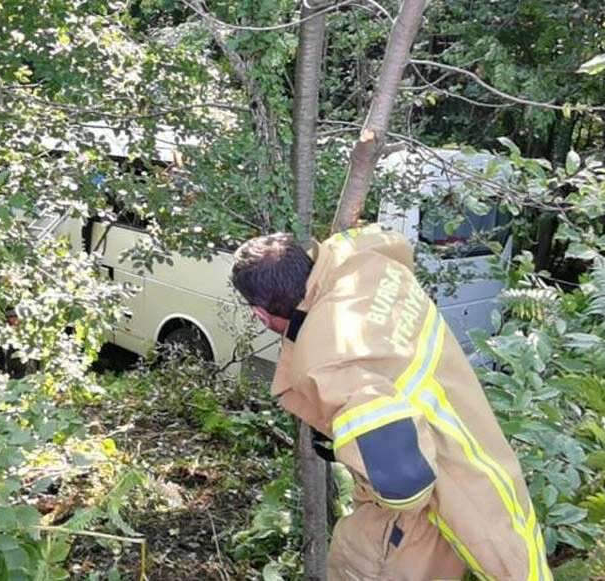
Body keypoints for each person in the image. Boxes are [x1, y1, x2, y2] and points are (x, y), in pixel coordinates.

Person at [231, 226, 551, 581]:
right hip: (477, 444)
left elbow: (406, 485)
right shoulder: (360, 259)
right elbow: (386, 240)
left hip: (420, 515)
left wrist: (357, 451)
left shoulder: (329, 362)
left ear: (260, 315)